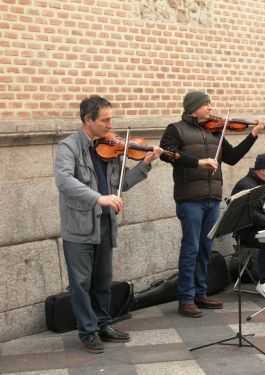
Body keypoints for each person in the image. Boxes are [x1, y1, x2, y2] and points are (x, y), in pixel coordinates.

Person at [54, 95, 161, 353]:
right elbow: (64, 181)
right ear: (88, 120)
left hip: (105, 223)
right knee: (80, 283)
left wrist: (144, 165)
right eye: (105, 120)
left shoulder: (110, 149)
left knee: (103, 279)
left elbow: (120, 185)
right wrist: (99, 198)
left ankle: (103, 323)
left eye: (111, 119)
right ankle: (88, 331)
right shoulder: (69, 147)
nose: (110, 126)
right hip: (79, 226)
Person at [159, 91, 265, 317]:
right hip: (190, 200)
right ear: (193, 107)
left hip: (212, 198)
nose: (210, 107)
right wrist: (198, 163)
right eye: (206, 104)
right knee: (191, 248)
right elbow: (167, 155)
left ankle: (200, 293)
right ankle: (186, 299)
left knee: (206, 248)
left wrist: (253, 135)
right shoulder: (175, 129)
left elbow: (233, 157)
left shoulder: (214, 129)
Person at [231, 153, 265, 300]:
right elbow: (250, 214)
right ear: (263, 171)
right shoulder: (245, 185)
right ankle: (264, 281)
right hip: (247, 230)